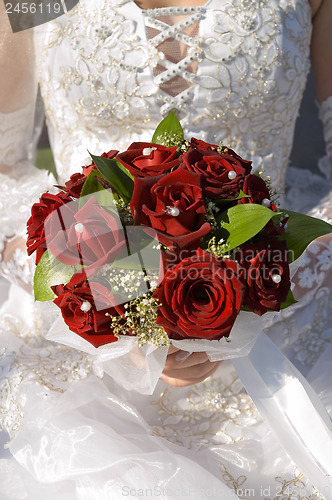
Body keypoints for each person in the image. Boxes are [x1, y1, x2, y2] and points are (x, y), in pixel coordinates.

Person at [0, 0, 332, 498]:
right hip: (78, 346)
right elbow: (5, 171)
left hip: (287, 317)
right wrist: (112, 305)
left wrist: (248, 296)